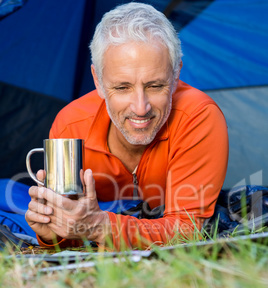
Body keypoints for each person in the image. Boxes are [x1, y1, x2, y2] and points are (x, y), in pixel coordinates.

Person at [25, 2, 228, 250]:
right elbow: (69, 232)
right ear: (98, 81)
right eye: (122, 87)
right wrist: (52, 234)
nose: (140, 108)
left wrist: (101, 227)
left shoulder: (198, 116)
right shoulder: (71, 125)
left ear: (175, 77)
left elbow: (187, 230)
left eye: (155, 86)